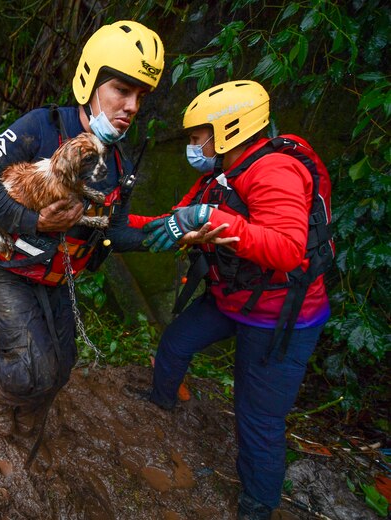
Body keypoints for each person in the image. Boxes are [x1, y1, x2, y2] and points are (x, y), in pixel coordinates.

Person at [135, 80, 332, 519]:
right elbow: (167, 220)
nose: (192, 145)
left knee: (258, 418)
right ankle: (161, 399)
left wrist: (209, 217)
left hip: (282, 315)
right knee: (176, 342)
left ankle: (258, 504)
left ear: (228, 129)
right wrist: (109, 223)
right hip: (233, 297)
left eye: (195, 135)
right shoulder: (219, 177)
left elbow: (286, 248)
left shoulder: (274, 170)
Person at [0, 20, 165, 439]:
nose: (131, 107)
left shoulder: (117, 163)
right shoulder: (40, 126)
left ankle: (33, 410)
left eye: (140, 96)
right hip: (9, 269)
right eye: (121, 91)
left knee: (63, 363)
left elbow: (112, 231)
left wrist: (170, 235)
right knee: (32, 365)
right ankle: (0, 393)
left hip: (59, 275)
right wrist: (33, 221)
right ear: (90, 82)